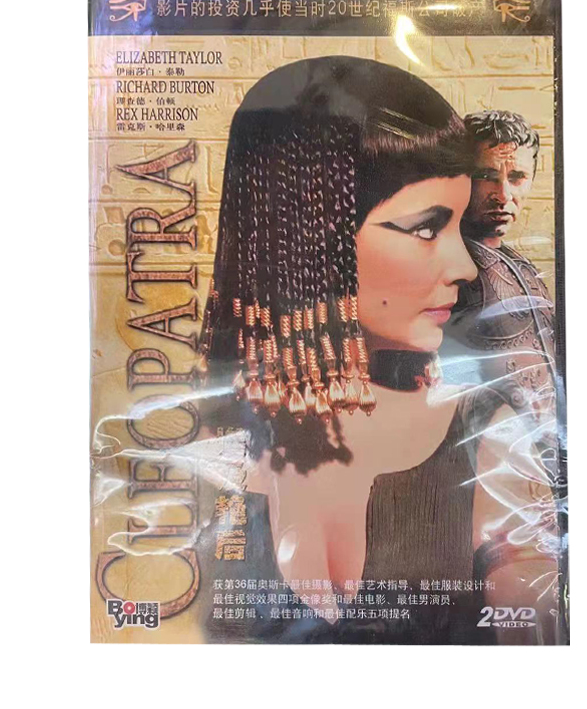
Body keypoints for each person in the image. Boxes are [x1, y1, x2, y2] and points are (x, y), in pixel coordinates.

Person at [194, 58, 561, 644]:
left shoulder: (487, 437)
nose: (465, 267)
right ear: (313, 234)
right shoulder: (212, 444)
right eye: (427, 228)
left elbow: (537, 626)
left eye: (456, 227)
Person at [442, 110, 558, 424]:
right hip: (481, 442)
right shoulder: (443, 265)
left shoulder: (523, 265)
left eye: (517, 177)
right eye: (486, 176)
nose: (503, 195)